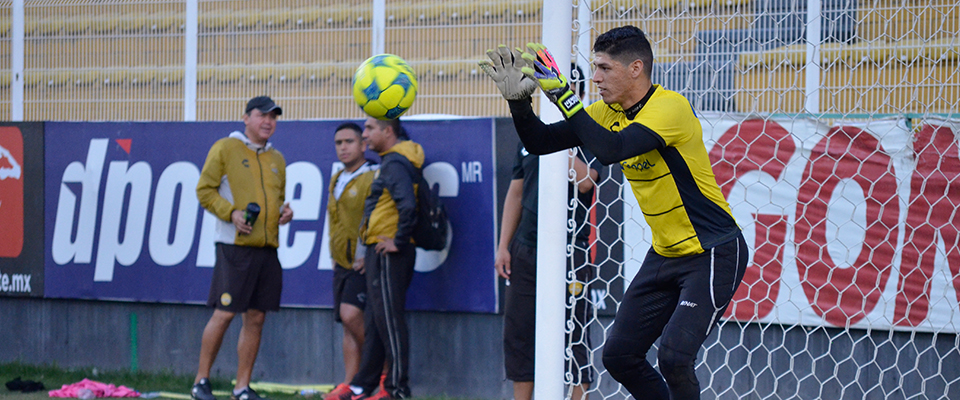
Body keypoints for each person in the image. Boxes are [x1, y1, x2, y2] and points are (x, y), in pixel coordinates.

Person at [479, 26, 749, 400]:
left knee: (674, 357)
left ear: (636, 68)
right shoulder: (608, 112)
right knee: (620, 356)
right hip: (666, 254)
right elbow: (539, 142)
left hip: (713, 251)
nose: (596, 78)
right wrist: (519, 104)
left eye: (605, 68)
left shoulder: (670, 107)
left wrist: (563, 96)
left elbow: (611, 149)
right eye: (595, 67)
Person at [192, 95, 294, 400]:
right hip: (234, 247)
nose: (268, 121)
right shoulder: (226, 148)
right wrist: (231, 213)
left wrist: (283, 213)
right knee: (224, 314)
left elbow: (276, 202)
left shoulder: (277, 159)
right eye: (262, 115)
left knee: (256, 318)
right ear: (246, 118)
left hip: (267, 248)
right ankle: (201, 381)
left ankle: (242, 387)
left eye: (273, 117)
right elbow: (204, 190)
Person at [495, 140, 599, 400]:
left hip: (570, 251)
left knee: (574, 335)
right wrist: (503, 246)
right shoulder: (528, 137)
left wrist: (551, 143)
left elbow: (587, 181)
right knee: (519, 334)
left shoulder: (587, 133)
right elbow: (516, 193)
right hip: (526, 249)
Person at [337, 117, 423, 400]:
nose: (365, 134)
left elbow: (407, 206)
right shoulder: (391, 160)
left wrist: (397, 240)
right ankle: (364, 383)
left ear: (388, 131)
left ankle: (398, 388)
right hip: (378, 249)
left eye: (370, 128)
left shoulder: (396, 162)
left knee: (389, 320)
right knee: (375, 320)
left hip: (390, 252)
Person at [323, 122, 379, 400]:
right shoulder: (337, 177)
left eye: (349, 142)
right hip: (341, 263)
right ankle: (350, 382)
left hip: (362, 262)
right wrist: (332, 256)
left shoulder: (372, 175)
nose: (343, 148)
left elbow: (377, 218)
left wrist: (368, 254)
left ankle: (380, 372)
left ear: (363, 145)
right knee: (346, 322)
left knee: (352, 314)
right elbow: (333, 221)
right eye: (338, 143)